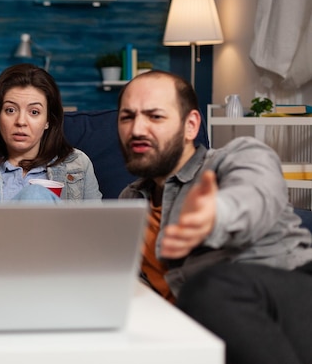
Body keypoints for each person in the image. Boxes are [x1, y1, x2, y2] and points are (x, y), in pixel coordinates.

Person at [117, 69, 312, 364]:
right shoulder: (130, 202)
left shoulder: (237, 157)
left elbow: (256, 194)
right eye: (127, 117)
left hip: (284, 300)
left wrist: (216, 214)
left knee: (209, 288)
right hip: (195, 334)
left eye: (155, 116)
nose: (137, 129)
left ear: (191, 125)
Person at [0, 63, 102, 203]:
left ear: (48, 121)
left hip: (59, 238)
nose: (21, 121)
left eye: (34, 112)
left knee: (36, 194)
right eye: (10, 110)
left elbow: (95, 228)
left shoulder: (77, 164)